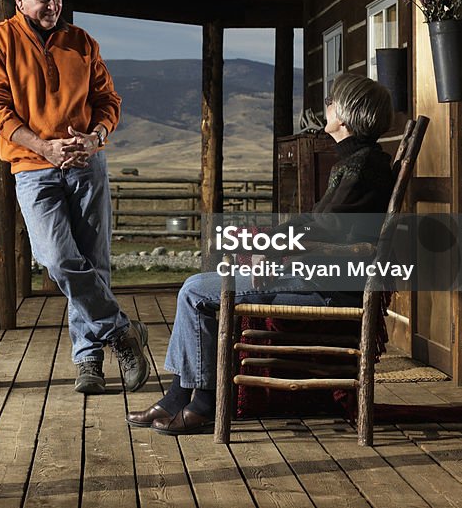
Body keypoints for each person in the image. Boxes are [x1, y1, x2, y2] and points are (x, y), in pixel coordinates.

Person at [127, 72, 395, 434]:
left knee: (194, 291)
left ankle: (201, 402)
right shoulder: (357, 162)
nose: (327, 105)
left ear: (346, 114)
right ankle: (180, 395)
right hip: (317, 275)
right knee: (197, 286)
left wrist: (270, 250)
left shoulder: (361, 167)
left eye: (332, 100)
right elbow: (314, 225)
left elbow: (325, 234)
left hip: (325, 287)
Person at [0, 0, 150, 395]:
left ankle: (88, 360)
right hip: (34, 168)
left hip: (87, 164)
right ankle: (121, 332)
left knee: (95, 261)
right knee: (57, 259)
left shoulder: (82, 42)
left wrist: (97, 137)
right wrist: (44, 147)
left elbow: (108, 101)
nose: (54, 5)